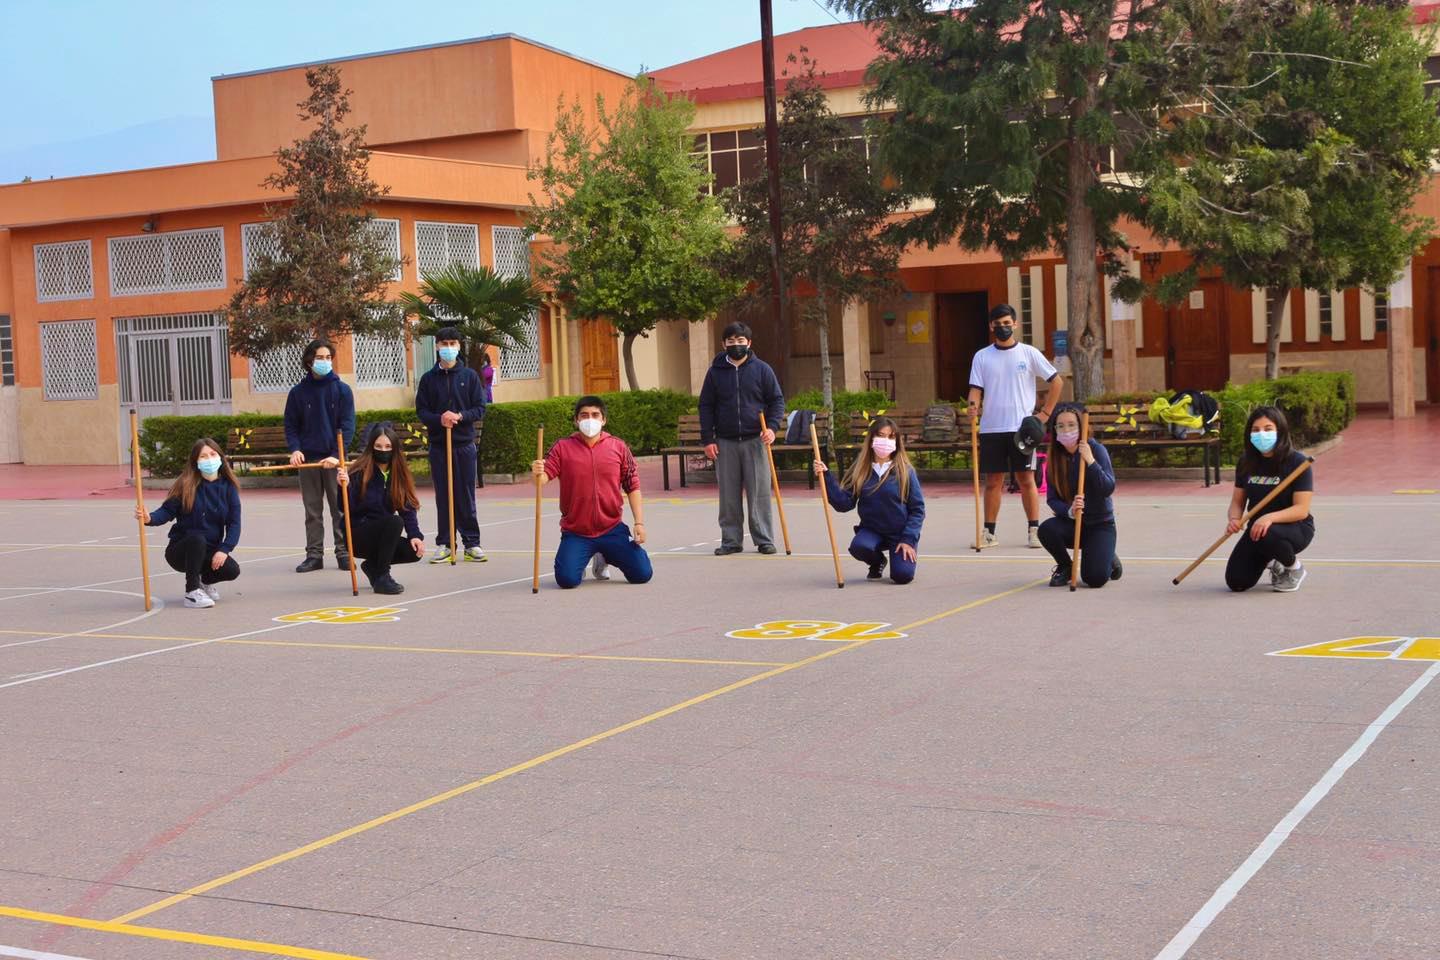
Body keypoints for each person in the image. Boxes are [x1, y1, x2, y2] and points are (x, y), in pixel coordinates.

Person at [967, 304, 1064, 549]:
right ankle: (989, 533)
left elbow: (1056, 381)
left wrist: (1045, 414)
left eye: (1007, 323)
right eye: (998, 324)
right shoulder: (982, 356)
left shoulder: (1028, 353)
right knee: (993, 481)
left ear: (1015, 324)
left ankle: (1034, 530)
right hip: (991, 428)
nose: (1003, 327)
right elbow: (975, 390)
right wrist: (972, 406)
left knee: (1026, 479)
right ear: (991, 326)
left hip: (1022, 429)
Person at [532, 396, 653, 589]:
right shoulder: (562, 447)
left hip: (612, 529)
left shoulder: (618, 447)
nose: (590, 419)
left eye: (595, 415)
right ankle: (582, 558)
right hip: (576, 532)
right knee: (567, 580)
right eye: (584, 415)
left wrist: (639, 523)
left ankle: (603, 555)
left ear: (603, 420)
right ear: (576, 420)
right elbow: (543, 478)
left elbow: (633, 486)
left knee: (642, 574)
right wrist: (537, 473)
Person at [698, 321, 785, 556]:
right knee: (728, 494)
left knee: (759, 493)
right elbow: (706, 406)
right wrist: (708, 439)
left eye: (740, 340)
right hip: (725, 441)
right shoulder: (715, 372)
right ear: (723, 344)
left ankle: (764, 539)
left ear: (749, 343)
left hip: (755, 440)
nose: (735, 344)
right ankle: (731, 541)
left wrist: (772, 428)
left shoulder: (762, 369)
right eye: (731, 341)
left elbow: (776, 401)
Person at [813, 416, 925, 583]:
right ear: (872, 438)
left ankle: (901, 557)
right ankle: (877, 561)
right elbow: (844, 503)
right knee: (859, 547)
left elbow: (918, 510)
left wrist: (908, 539)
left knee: (902, 576)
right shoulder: (860, 469)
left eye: (891, 437)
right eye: (881, 435)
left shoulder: (905, 471)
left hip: (900, 533)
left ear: (897, 442)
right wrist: (826, 477)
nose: (885, 441)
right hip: (872, 530)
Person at [135, 438, 242, 609]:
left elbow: (234, 524)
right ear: (195, 461)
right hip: (182, 551)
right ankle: (192, 592)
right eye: (203, 456)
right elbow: (166, 511)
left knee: (232, 570)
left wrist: (224, 549)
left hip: (210, 550)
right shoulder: (186, 485)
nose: (209, 459)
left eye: (213, 454)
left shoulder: (228, 488)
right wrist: (150, 518)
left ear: (220, 458)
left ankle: (204, 581)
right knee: (197, 537)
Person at [415, 327, 487, 563]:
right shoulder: (428, 379)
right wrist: (440, 419)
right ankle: (445, 543)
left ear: (458, 346)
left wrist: (459, 416)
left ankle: (472, 543)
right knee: (444, 495)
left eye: (452, 343)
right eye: (444, 343)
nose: (448, 348)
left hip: (464, 445)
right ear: (437, 346)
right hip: (439, 446)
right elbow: (422, 411)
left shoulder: (469, 376)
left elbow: (479, 408)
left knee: (466, 494)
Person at [1225, 406, 1314, 593]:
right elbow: (1237, 502)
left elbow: (1301, 510)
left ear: (1280, 430)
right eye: (1256, 430)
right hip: (1257, 531)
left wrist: (1269, 518)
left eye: (1268, 429)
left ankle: (1294, 568)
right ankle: (1274, 561)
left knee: (1268, 532)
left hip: (1294, 528)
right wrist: (1234, 518)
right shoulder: (1246, 462)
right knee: (1237, 581)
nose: (1261, 434)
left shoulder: (1297, 462)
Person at [284, 339, 355, 573]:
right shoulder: (297, 393)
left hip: (334, 461)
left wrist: (336, 455)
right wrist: (295, 449)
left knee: (340, 509)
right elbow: (291, 426)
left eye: (328, 358)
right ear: (309, 361)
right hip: (309, 461)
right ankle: (314, 555)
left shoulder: (342, 390)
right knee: (312, 511)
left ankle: (344, 553)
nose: (325, 362)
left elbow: (348, 426)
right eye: (320, 358)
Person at [1037, 404, 1122, 588]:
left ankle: (1106, 555)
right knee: (1046, 529)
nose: (1066, 430)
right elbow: (1052, 499)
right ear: (1055, 430)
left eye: (1071, 425)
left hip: (1100, 524)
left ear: (1081, 427)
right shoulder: (1055, 457)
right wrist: (1070, 510)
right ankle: (1066, 566)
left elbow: (1107, 488)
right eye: (1060, 426)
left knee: (1094, 579)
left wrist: (1091, 462)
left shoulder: (1095, 449)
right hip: (1073, 523)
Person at [335, 422, 425, 595]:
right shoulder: (359, 471)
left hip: (383, 533)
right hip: (358, 534)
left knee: (414, 551)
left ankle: (372, 566)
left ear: (394, 449)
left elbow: (407, 508)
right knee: (394, 522)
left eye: (388, 447)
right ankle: (383, 577)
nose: (383, 450)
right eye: (378, 446)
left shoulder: (399, 474)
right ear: (371, 447)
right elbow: (346, 507)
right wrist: (343, 488)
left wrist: (415, 535)